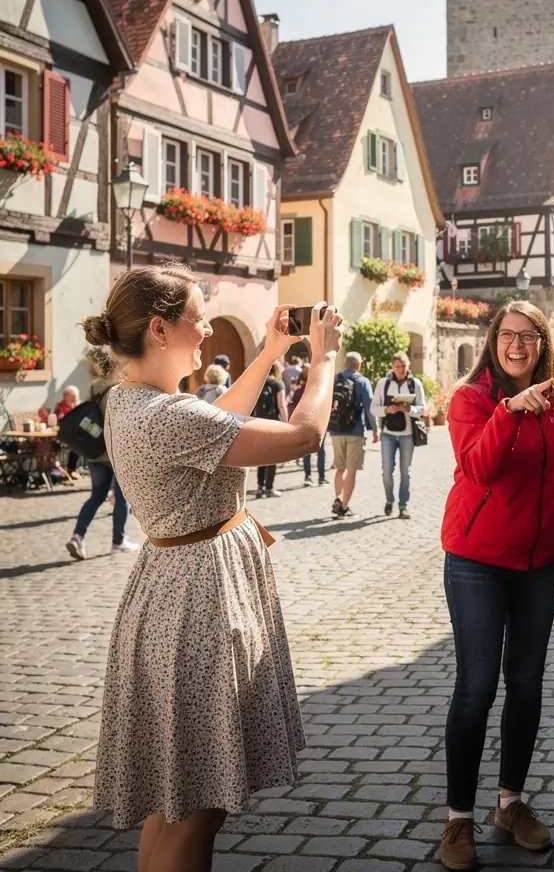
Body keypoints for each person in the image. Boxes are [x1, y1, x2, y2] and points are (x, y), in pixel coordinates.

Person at [81, 264, 342, 872]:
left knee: (176, 800)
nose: (205, 333)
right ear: (160, 329)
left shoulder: (130, 400)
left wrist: (272, 351)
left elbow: (218, 423)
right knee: (198, 810)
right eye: (198, 320)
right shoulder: (167, 414)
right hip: (200, 605)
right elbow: (303, 435)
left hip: (172, 591)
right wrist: (324, 358)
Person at [439, 301, 554, 871]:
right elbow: (478, 468)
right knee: (476, 686)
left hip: (539, 561)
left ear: (543, 344)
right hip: (477, 559)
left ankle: (510, 802)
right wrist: (510, 410)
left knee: (527, 683)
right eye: (508, 336)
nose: (518, 345)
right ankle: (458, 819)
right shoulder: (471, 399)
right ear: (493, 342)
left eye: (529, 337)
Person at [65, 351, 138, 560]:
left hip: (94, 452)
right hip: (115, 452)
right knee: (122, 497)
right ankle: (118, 541)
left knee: (96, 496)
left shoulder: (94, 386)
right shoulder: (121, 388)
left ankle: (78, 537)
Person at [371, 351, 425, 519]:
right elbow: (373, 408)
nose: (400, 369)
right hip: (388, 434)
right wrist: (387, 409)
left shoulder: (414, 384)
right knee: (387, 471)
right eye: (397, 366)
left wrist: (410, 409)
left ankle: (403, 506)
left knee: (405, 472)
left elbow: (423, 408)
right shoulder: (383, 384)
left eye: (403, 366)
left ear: (408, 366)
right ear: (392, 367)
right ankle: (389, 499)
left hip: (407, 434)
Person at [329, 352, 377, 517]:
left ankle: (337, 498)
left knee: (339, 468)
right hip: (356, 431)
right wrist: (376, 430)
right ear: (359, 365)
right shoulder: (362, 381)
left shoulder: (335, 380)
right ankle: (344, 506)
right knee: (351, 470)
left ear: (345, 364)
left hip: (336, 430)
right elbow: (370, 408)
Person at [287, 365, 327, 487]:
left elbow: (293, 407)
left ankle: (308, 476)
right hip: (318, 423)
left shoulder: (300, 391)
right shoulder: (319, 390)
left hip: (305, 423)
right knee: (320, 450)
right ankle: (321, 477)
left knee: (306, 451)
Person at [253, 361, 288, 498]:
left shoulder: (259, 383)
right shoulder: (278, 384)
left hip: (259, 422)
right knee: (272, 455)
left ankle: (259, 486)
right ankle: (269, 487)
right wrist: (286, 423)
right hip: (273, 422)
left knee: (261, 456)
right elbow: (281, 405)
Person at [54, 385, 82, 478]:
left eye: (76, 396)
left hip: (73, 434)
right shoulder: (60, 406)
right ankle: (64, 469)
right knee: (76, 443)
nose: (75, 398)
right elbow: (61, 419)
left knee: (80, 444)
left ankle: (71, 469)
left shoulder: (77, 405)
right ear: (66, 395)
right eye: (73, 396)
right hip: (61, 435)